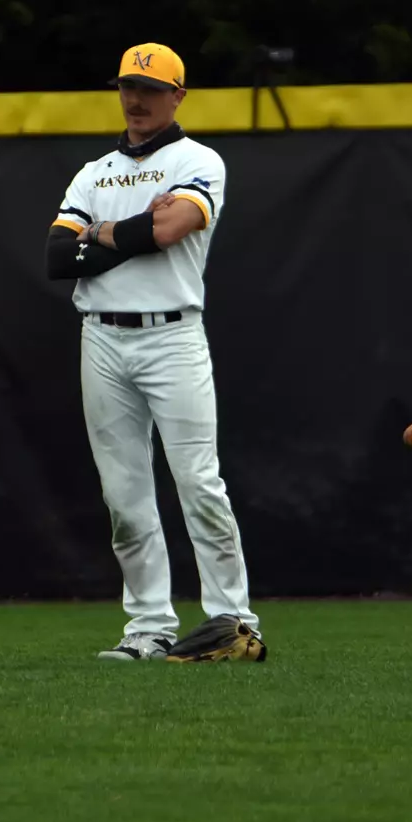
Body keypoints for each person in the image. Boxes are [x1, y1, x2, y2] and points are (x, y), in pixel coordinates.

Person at [44, 43, 262, 661]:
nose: (136, 99)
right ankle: (147, 627)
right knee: (123, 493)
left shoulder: (199, 160)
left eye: (150, 88)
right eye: (126, 86)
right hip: (103, 336)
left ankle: (235, 622)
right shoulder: (94, 171)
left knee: (199, 482)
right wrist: (134, 229)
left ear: (178, 96)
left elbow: (170, 230)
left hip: (172, 334)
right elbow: (57, 259)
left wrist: (102, 232)